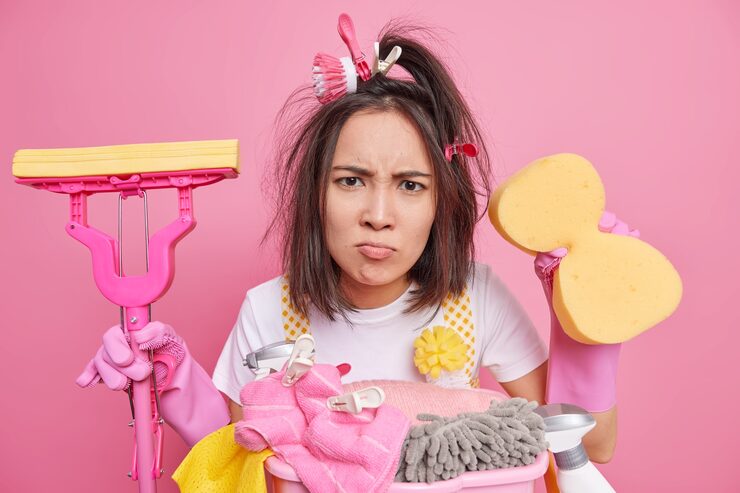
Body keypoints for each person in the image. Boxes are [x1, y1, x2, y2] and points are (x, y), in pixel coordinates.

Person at [76, 19, 618, 463]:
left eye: (410, 185)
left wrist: (589, 323)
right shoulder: (269, 312)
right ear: (316, 192)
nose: (378, 217)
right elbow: (239, 462)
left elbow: (589, 447)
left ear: (441, 202)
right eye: (351, 181)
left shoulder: (475, 298)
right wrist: (174, 383)